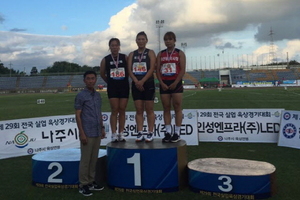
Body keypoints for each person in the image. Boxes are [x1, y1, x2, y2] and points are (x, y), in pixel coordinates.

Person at [74, 70, 106, 196]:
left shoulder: (97, 95)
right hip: (87, 132)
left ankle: (91, 181)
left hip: (97, 131)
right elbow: (78, 115)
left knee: (94, 160)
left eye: (93, 78)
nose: (91, 81)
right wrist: (81, 133)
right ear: (84, 80)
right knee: (85, 160)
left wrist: (102, 128)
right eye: (88, 78)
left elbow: (99, 113)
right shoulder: (81, 95)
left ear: (96, 80)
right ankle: (83, 184)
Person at [156, 31, 186, 143]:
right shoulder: (161, 54)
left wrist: (176, 82)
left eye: (170, 39)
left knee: (177, 107)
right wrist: (161, 83)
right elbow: (157, 70)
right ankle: (168, 131)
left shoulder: (180, 53)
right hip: (164, 83)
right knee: (166, 107)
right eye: (166, 39)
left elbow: (182, 70)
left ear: (174, 40)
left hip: (176, 82)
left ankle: (177, 132)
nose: (168, 41)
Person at [127, 31, 156, 142]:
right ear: (136, 41)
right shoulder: (132, 54)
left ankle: (150, 132)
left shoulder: (150, 52)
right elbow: (129, 69)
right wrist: (136, 81)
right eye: (139, 39)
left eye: (143, 39)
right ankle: (139, 132)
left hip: (148, 83)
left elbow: (152, 68)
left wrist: (142, 81)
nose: (141, 41)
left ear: (146, 40)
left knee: (149, 109)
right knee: (139, 110)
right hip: (136, 84)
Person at [100, 38, 129, 142]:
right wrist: (109, 81)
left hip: (124, 86)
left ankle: (121, 133)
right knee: (114, 109)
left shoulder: (125, 57)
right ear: (109, 47)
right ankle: (113, 133)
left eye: (116, 45)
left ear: (119, 46)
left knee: (122, 109)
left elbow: (129, 71)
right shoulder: (105, 59)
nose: (114, 47)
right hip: (113, 87)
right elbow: (102, 73)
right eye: (112, 45)